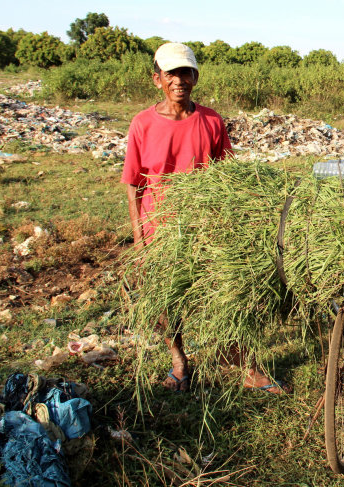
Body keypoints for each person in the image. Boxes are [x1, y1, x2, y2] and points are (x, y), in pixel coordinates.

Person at [122, 43, 287, 394]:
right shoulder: (143, 124)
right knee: (167, 299)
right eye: (171, 74)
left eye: (185, 73)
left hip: (206, 227)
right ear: (157, 80)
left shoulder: (210, 120)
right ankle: (180, 361)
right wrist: (139, 237)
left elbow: (227, 176)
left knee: (227, 295)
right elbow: (133, 184)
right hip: (160, 229)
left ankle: (248, 366)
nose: (178, 80)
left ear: (195, 77)